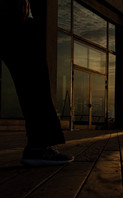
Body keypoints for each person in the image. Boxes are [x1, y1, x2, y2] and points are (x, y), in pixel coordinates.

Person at [0, 0, 74, 166]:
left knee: (33, 77)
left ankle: (38, 145)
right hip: (13, 13)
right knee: (33, 78)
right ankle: (38, 146)